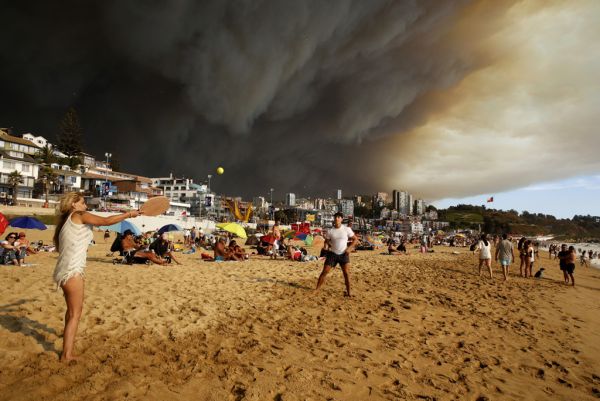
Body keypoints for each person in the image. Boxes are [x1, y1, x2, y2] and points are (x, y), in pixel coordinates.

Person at [52, 192, 142, 361]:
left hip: (63, 271)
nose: (85, 206)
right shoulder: (78, 215)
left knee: (71, 312)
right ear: (74, 204)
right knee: (75, 314)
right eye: (83, 202)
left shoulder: (65, 221)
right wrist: (130, 214)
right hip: (73, 271)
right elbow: (107, 221)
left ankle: (66, 347)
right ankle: (67, 355)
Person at [316, 212, 358, 297]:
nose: (337, 218)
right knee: (324, 272)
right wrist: (326, 246)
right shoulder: (330, 231)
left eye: (339, 217)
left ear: (341, 219)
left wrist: (349, 249)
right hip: (332, 254)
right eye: (335, 217)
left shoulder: (347, 229)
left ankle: (349, 293)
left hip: (344, 254)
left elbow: (355, 240)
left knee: (346, 274)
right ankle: (317, 289)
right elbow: (327, 241)